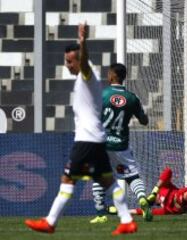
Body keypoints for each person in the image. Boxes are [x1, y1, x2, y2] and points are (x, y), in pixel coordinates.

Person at [24, 23, 136, 236]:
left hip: (86, 141)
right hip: (95, 140)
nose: (67, 65)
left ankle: (50, 222)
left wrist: (83, 42)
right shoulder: (83, 79)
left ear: (78, 60)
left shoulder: (87, 75)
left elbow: (84, 62)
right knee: (108, 182)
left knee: (68, 179)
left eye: (69, 61)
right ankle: (126, 220)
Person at [89, 63, 152, 224]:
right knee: (132, 176)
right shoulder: (132, 97)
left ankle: (101, 213)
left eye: (108, 73)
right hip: (122, 145)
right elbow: (144, 121)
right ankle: (142, 198)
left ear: (111, 76)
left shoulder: (102, 95)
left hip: (103, 144)